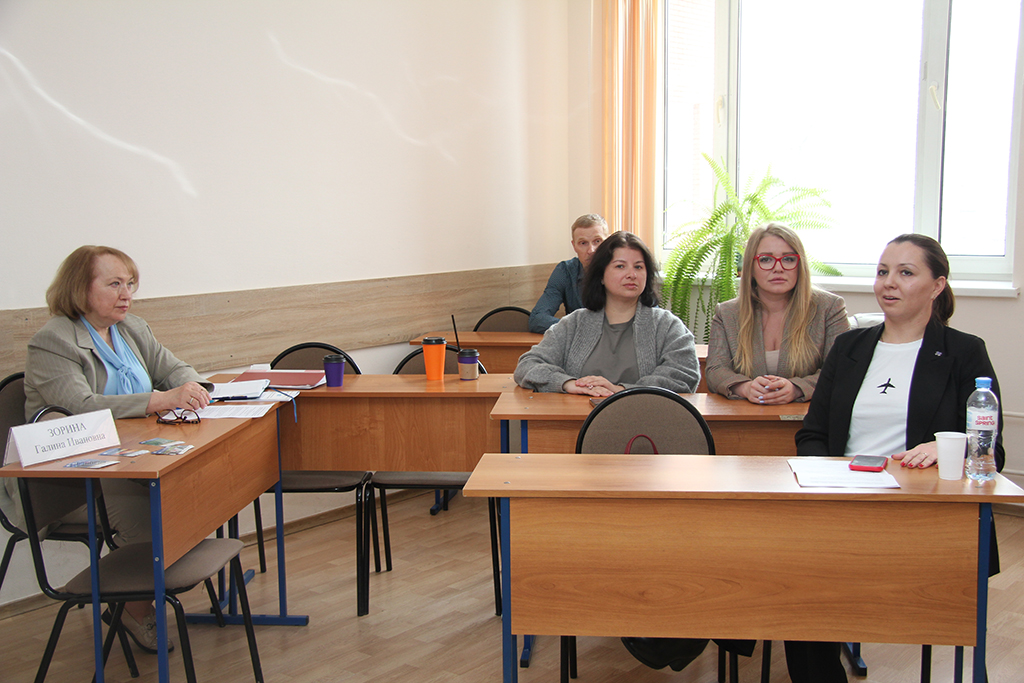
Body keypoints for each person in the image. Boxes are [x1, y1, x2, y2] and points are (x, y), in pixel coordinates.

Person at [792, 233, 1004, 683]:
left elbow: (992, 451)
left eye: (906, 273)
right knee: (792, 585)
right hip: (842, 505)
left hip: (920, 513)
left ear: (937, 285)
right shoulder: (849, 347)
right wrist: (826, 481)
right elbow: (812, 435)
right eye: (883, 272)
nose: (889, 282)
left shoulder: (964, 351)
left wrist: (949, 446)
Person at [22, 245, 214, 654]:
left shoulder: (131, 328)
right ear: (80, 289)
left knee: (192, 488)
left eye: (130, 284)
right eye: (114, 284)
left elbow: (173, 368)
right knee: (155, 508)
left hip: (131, 457)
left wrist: (193, 386)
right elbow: (83, 406)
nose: (126, 294)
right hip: (72, 479)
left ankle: (134, 599)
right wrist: (160, 399)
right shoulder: (52, 341)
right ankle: (134, 611)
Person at [515, 231, 700, 395]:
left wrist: (621, 390)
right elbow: (528, 365)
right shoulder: (574, 323)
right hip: (581, 418)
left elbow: (684, 375)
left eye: (638, 267)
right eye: (620, 266)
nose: (632, 274)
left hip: (645, 417)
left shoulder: (668, 326)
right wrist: (567, 384)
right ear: (601, 276)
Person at [706, 223, 849, 404]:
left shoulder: (830, 308)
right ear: (751, 267)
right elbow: (715, 370)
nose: (778, 268)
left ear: (800, 265)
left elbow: (842, 370)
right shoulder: (727, 313)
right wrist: (745, 387)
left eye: (788, 259)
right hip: (748, 415)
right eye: (766, 259)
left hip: (808, 415)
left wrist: (798, 388)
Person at [528, 213, 611, 333]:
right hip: (577, 341)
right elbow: (537, 319)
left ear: (608, 242)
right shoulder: (565, 271)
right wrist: (579, 327)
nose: (591, 250)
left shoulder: (621, 271)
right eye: (583, 243)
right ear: (574, 246)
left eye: (597, 241)